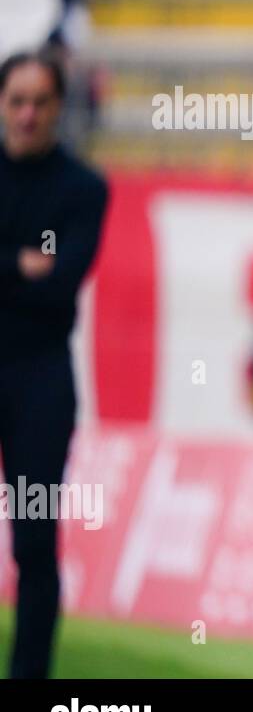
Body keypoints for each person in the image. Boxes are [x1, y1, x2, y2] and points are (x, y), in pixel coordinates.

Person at [0, 48, 108, 678]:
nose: (28, 114)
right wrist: (18, 264)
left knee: (34, 541)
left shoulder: (83, 188)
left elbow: (60, 283)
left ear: (59, 108)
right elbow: (37, 275)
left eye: (40, 102)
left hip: (39, 379)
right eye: (17, 101)